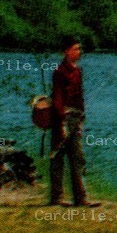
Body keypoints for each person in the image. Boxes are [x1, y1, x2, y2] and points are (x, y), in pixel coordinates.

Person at [48, 34, 99, 207]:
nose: (79, 52)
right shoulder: (59, 72)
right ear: (66, 51)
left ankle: (81, 198)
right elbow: (58, 99)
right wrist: (61, 123)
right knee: (57, 158)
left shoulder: (77, 71)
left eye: (79, 48)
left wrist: (82, 114)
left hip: (76, 118)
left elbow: (79, 96)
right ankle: (56, 198)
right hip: (61, 118)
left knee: (78, 157)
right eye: (75, 49)